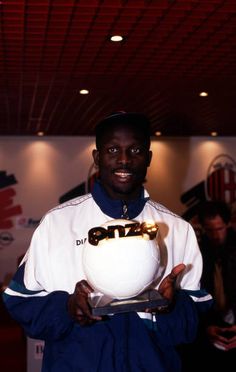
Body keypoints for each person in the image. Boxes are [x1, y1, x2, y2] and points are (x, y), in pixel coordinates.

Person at [2, 112, 211, 372]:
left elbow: (194, 322)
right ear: (97, 157)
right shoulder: (58, 224)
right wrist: (68, 307)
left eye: (135, 150)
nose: (124, 160)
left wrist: (170, 307)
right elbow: (20, 302)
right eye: (113, 149)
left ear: (148, 158)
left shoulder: (178, 230)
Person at [196, 200, 236, 370]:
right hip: (212, 327)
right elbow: (195, 294)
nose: (216, 235)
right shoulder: (198, 253)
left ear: (228, 224)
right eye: (210, 230)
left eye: (219, 229)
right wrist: (207, 327)